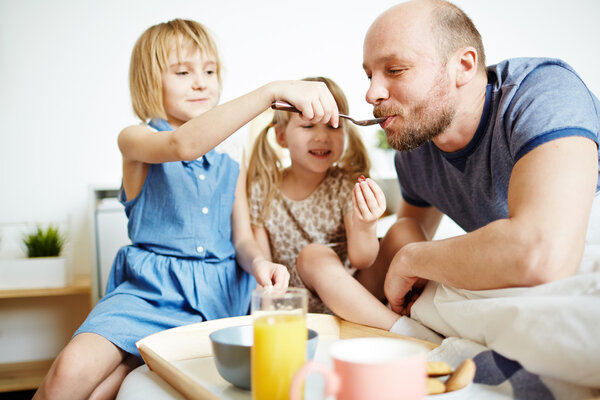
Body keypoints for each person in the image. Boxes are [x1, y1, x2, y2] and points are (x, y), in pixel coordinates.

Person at [34, 19, 342, 400]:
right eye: (183, 72)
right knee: (70, 371)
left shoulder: (233, 153)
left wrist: (259, 264)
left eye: (210, 71)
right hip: (150, 292)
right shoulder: (135, 139)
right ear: (150, 81)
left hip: (219, 296)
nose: (202, 82)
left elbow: (241, 235)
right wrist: (272, 91)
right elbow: (182, 145)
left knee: (108, 389)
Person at [361, 0, 600, 315]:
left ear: (463, 66)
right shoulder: (417, 152)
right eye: (369, 76)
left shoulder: (544, 93)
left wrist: (412, 259)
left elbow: (543, 255)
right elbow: (401, 248)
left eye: (395, 70)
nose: (371, 94)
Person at [247, 76, 400, 330]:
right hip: (297, 305)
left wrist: (365, 224)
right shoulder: (264, 188)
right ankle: (398, 327)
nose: (322, 137)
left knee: (405, 231)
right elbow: (262, 265)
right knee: (313, 255)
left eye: (333, 125)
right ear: (281, 136)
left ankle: (410, 313)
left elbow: (363, 260)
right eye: (308, 127)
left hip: (351, 297)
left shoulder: (346, 184)